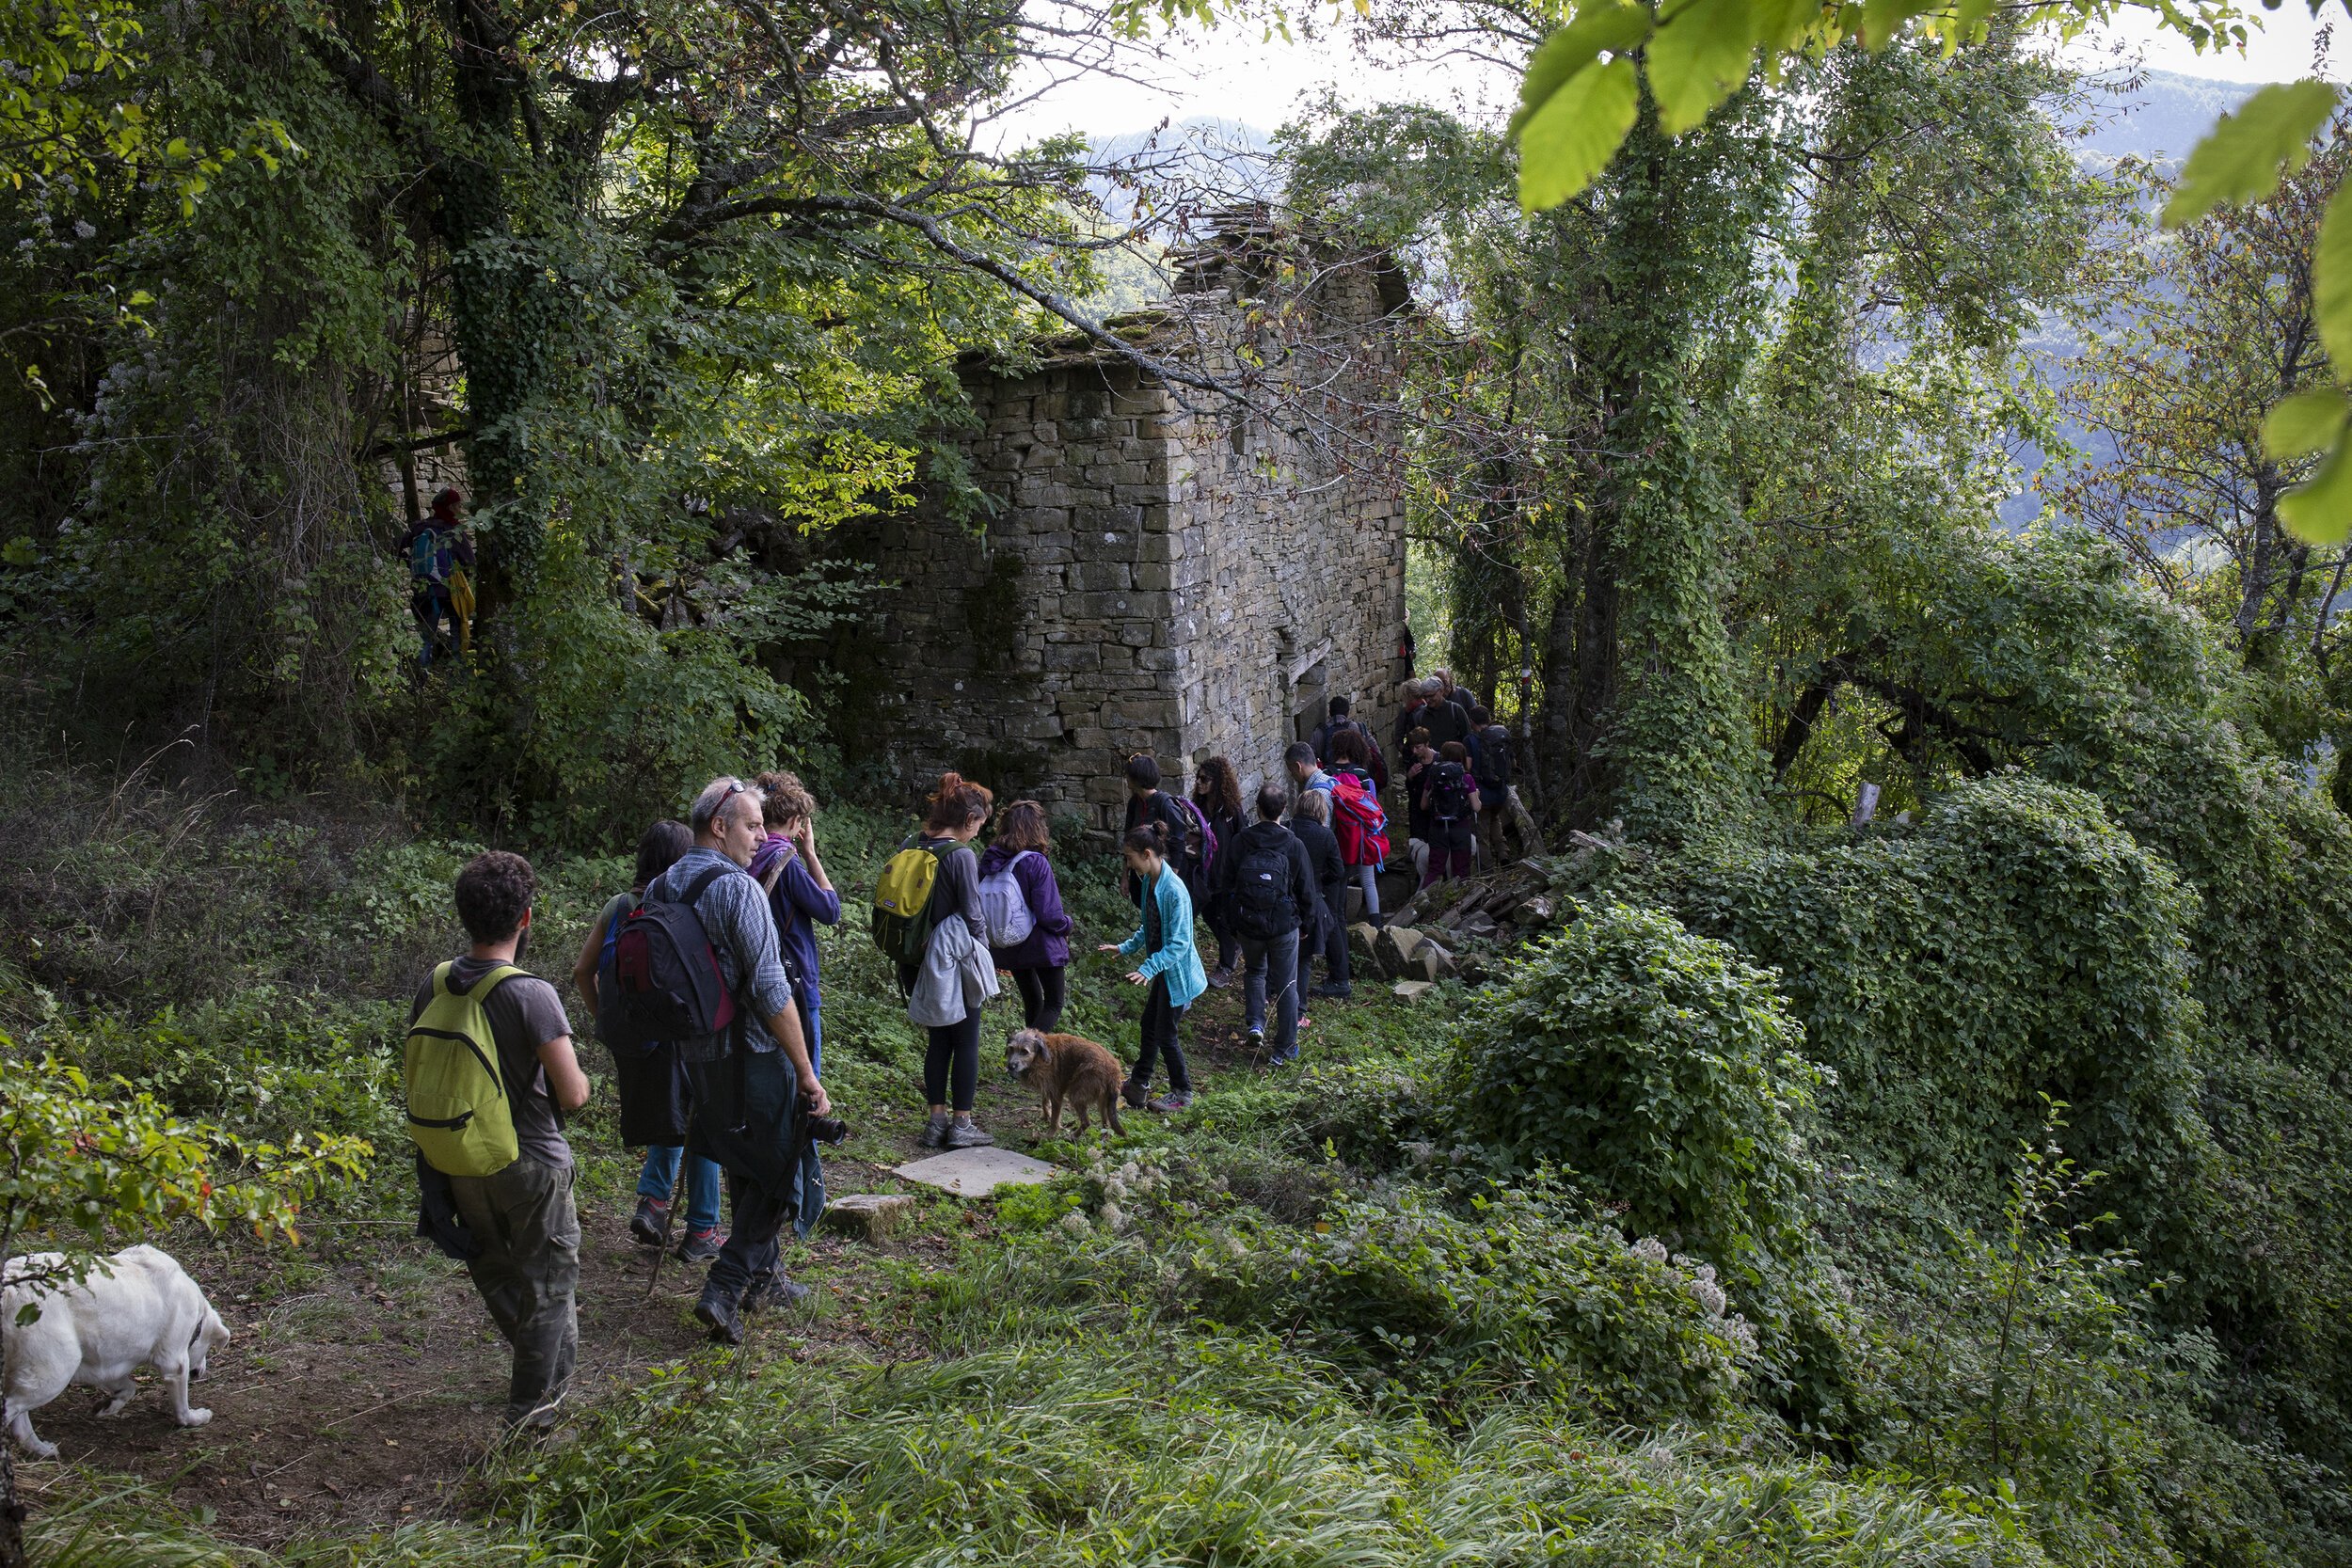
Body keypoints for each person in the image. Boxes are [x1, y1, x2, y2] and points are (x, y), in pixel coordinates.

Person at [410, 850, 587, 1431]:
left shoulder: (435, 984)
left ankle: (551, 1382)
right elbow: (573, 1094)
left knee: (495, 1269)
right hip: (531, 1162)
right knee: (549, 1286)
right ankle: (531, 1415)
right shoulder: (530, 994)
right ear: (526, 918)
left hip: (461, 1161)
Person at [648, 776, 828, 1345]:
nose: (761, 835)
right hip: (752, 1053)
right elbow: (771, 991)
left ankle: (766, 1278)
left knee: (743, 1159)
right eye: (752, 824)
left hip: (698, 1057)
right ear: (719, 827)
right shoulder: (738, 890)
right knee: (781, 1171)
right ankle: (725, 1286)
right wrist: (805, 1071)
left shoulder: (662, 886)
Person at [570, 819, 723, 1259]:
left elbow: (583, 972)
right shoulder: (683, 907)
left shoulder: (617, 905)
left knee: (667, 1113)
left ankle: (654, 1203)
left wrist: (610, 1021)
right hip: (678, 1036)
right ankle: (702, 1230)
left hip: (635, 1041)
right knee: (702, 1125)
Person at [900, 771, 996, 1150]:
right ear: (969, 820)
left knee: (938, 1040)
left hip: (913, 957)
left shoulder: (911, 844)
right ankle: (962, 1125)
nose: (978, 833)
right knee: (966, 1038)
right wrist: (986, 956)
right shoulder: (960, 856)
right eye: (979, 826)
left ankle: (935, 1121)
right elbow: (973, 915)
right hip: (951, 959)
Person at [1099, 821, 1206, 1113]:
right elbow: (1149, 927)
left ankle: (1183, 1093)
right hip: (1163, 972)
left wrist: (1149, 967)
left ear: (1147, 854)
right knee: (1150, 1025)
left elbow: (1180, 944)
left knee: (1165, 1033)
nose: (1128, 863)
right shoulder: (1150, 881)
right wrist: (1125, 947)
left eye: (1129, 857)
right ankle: (1138, 1087)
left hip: (1177, 975)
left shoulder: (1175, 891)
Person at [1219, 783, 1323, 1065]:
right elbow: (1306, 891)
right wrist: (1305, 924)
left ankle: (1255, 1023)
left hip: (1248, 924)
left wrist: (1233, 924)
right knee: (1287, 983)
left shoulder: (1241, 841)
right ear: (1284, 809)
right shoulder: (1294, 844)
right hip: (1283, 926)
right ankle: (1285, 1048)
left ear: (1257, 808)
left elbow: (1226, 884)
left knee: (1254, 972)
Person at [747, 771, 842, 1078]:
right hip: (795, 979)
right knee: (805, 1074)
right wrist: (811, 855)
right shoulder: (786, 862)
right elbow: (830, 910)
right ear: (793, 821)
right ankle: (807, 1122)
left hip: (754, 973)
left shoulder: (747, 854)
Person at [979, 799, 1073, 1033]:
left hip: (1010, 942)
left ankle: (1025, 1063)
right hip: (1041, 945)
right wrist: (1067, 925)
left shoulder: (991, 861)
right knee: (1054, 1003)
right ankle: (1027, 1057)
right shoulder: (1035, 862)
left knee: (1032, 1001)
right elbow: (1049, 914)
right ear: (1036, 828)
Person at [399, 488, 475, 669]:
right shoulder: (453, 530)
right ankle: (457, 678)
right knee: (458, 635)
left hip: (424, 591)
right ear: (450, 507)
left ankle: (420, 677)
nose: (459, 509)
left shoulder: (419, 528)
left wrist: (410, 564)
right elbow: (469, 561)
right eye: (457, 505)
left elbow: (398, 548)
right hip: (450, 591)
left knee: (425, 638)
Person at [1290, 788, 1351, 1000]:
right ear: (1321, 811)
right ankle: (1301, 1000)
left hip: (1288, 894)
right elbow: (1338, 870)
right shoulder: (1325, 835)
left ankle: (1277, 985)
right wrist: (1319, 881)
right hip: (1314, 893)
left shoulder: (1288, 829)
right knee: (1308, 949)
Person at [1190, 756, 1247, 986]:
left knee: (1223, 918)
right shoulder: (1198, 808)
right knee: (1209, 915)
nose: (1199, 783)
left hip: (1226, 876)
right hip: (1205, 875)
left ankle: (1225, 966)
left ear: (1218, 781)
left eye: (1204, 779)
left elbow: (1242, 839)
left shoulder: (1231, 811)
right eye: (1197, 778)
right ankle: (1233, 946)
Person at [1327, 727, 1386, 923]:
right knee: (1368, 881)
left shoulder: (1326, 774)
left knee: (1339, 880)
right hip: (1361, 836)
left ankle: (1339, 923)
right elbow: (1373, 807)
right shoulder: (1362, 775)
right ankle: (1376, 924)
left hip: (1336, 836)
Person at [1120, 752, 1194, 906]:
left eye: (1128, 775)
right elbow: (1129, 840)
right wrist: (1125, 877)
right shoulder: (1135, 803)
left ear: (1136, 779)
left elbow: (1178, 846)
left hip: (1162, 876)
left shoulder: (1166, 806)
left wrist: (1168, 885)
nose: (1126, 778)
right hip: (1142, 875)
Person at [1421, 740, 1482, 887]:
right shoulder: (1466, 778)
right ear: (1462, 757)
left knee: (1435, 869)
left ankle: (1422, 903)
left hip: (1438, 827)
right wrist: (1477, 794)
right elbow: (1476, 807)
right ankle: (1461, 904)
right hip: (1460, 826)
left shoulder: (1433, 776)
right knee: (1461, 870)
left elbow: (1423, 805)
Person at [1469, 705, 1515, 868]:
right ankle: (1503, 853)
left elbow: (1468, 766)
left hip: (1482, 795)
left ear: (1471, 721)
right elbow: (1512, 762)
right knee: (1495, 819)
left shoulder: (1472, 740)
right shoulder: (1501, 735)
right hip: (1501, 791)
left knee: (1481, 833)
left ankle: (1487, 870)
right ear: (1488, 719)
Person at [1402, 728, 1438, 883]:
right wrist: (1409, 777)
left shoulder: (1439, 760)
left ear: (1427, 744)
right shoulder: (1413, 761)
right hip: (1417, 808)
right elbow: (1410, 786)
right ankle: (1420, 873)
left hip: (1434, 809)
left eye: (1418, 747)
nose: (1415, 751)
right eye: (1412, 747)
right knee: (1418, 839)